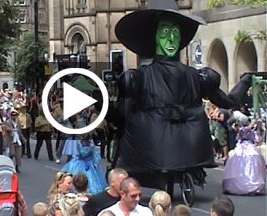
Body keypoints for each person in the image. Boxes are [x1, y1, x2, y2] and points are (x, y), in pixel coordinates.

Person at [112, 0, 252, 183]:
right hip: (161, 150)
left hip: (181, 148)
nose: (170, 39)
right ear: (154, 37)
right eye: (165, 32)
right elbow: (120, 114)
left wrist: (245, 81)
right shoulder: (141, 78)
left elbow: (228, 102)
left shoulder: (195, 76)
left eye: (175, 32)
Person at [222, 124, 266, 195]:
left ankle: (239, 183)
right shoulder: (253, 150)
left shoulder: (238, 148)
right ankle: (252, 185)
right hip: (250, 150)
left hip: (242, 150)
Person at [4, 108, 25, 173]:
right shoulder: (8, 122)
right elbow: (6, 128)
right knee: (12, 154)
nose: (14, 116)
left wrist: (23, 138)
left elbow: (20, 131)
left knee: (18, 155)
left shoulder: (18, 122)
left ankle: (16, 167)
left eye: (15, 115)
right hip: (11, 140)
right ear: (11, 115)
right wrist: (12, 129)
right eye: (13, 115)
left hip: (17, 140)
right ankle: (9, 165)